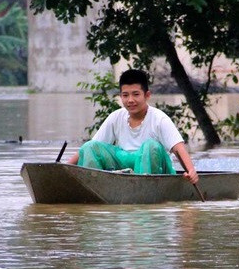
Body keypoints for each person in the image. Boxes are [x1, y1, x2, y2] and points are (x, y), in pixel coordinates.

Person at [68, 69, 199, 185]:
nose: (130, 100)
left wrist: (191, 171)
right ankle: (96, 187)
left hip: (154, 168)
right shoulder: (116, 117)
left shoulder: (160, 119)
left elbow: (178, 148)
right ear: (120, 97)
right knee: (89, 146)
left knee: (151, 146)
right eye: (125, 95)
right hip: (125, 165)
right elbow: (90, 149)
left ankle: (145, 192)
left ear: (147, 95)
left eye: (136, 94)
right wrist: (64, 168)